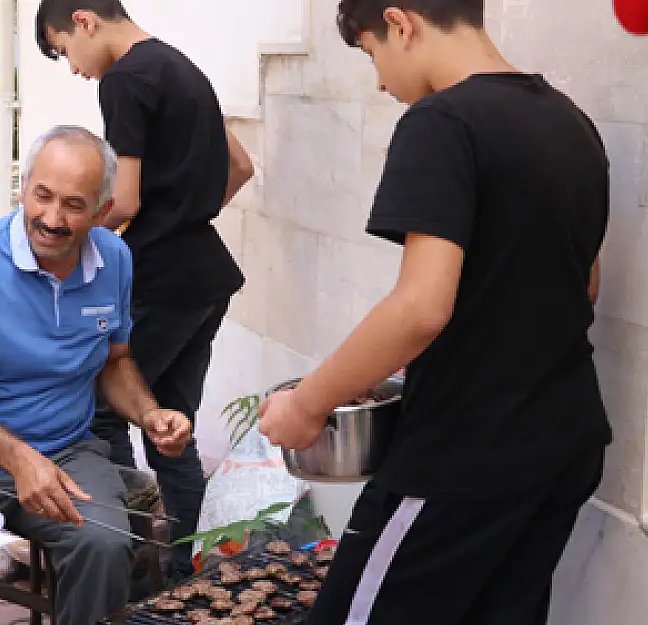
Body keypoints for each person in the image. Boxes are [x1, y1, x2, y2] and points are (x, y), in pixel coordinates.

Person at [258, 2, 611, 624]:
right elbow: (585, 286)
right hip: (565, 441)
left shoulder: (442, 121)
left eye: (372, 54)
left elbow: (421, 308)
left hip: (463, 454)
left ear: (401, 23)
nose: (379, 80)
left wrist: (307, 406)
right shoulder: (571, 122)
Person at [0, 125, 193, 625]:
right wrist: (20, 462)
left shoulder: (115, 259)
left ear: (104, 212)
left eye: (74, 205)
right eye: (42, 196)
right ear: (24, 188)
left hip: (64, 450)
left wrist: (150, 414)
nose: (52, 219)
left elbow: (114, 360)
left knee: (106, 544)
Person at [36, 0, 255, 580]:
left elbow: (124, 200)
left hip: (158, 276)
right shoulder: (183, 67)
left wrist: (62, 243)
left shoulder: (125, 78)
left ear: (84, 20)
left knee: (105, 409)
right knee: (171, 423)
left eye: (64, 51)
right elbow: (240, 165)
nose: (76, 69)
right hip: (206, 273)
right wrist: (186, 216)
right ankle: (188, 564)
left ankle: (123, 555)